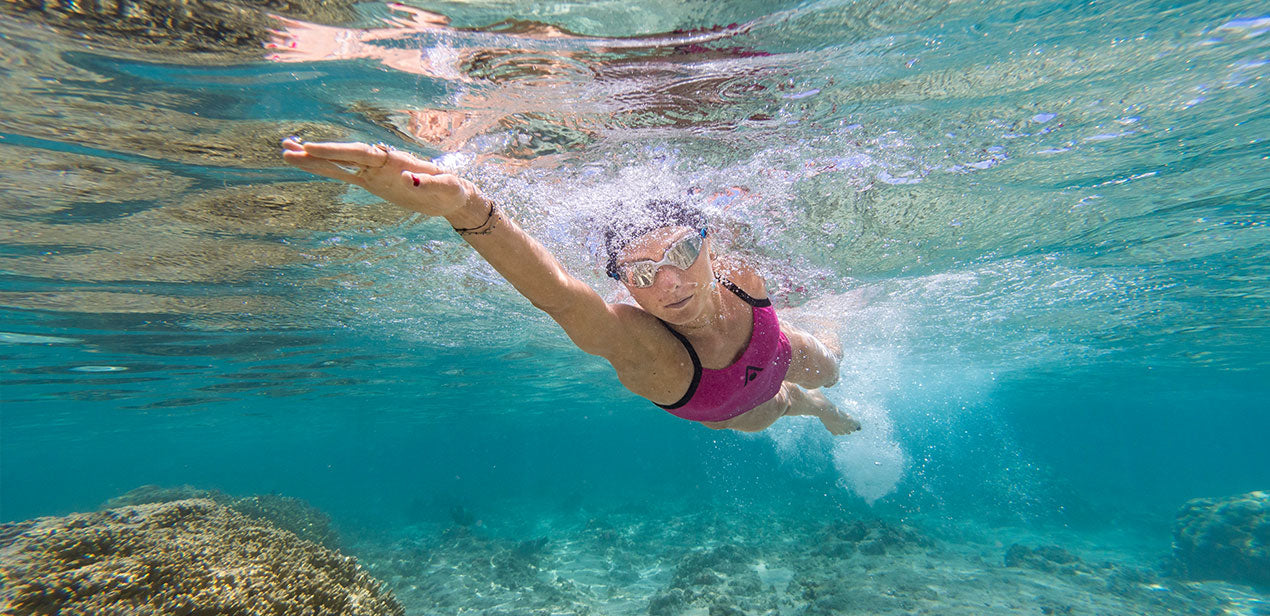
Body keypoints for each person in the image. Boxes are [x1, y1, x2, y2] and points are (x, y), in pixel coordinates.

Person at [281, 139, 860, 435]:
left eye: (682, 253)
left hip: (779, 348)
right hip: (730, 405)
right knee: (781, 408)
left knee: (828, 362)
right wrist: (468, 207)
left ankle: (823, 368)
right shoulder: (649, 353)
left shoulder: (740, 273)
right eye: (639, 273)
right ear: (623, 286)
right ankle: (816, 409)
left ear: (709, 244)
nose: (670, 283)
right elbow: (556, 291)